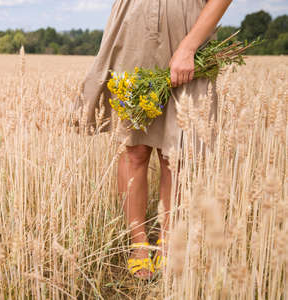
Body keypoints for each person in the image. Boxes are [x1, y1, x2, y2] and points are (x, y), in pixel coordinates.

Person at [75, 0, 232, 279]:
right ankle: (139, 244)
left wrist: (189, 46)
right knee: (134, 146)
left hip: (188, 22)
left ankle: (169, 241)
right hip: (134, 24)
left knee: (180, 149)